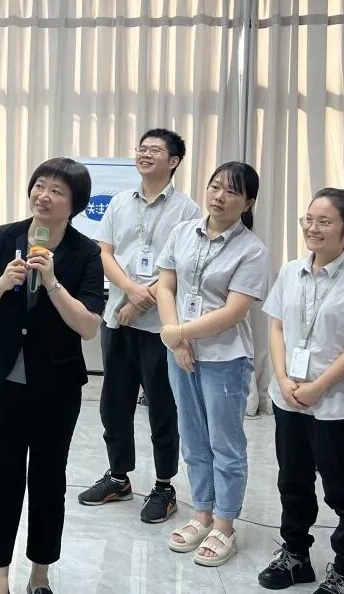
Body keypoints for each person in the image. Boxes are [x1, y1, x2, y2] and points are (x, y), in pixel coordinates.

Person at [0, 158, 105, 594]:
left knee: (49, 481)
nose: (44, 196)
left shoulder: (85, 253)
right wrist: (2, 282)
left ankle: (40, 573)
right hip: (3, 380)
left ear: (75, 204)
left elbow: (88, 326)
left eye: (57, 191)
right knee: (4, 479)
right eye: (39, 186)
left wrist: (53, 282)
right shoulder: (3, 238)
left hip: (57, 387)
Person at [257, 189, 344, 594]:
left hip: (337, 405)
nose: (312, 228)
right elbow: (277, 327)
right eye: (309, 219)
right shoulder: (291, 271)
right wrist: (282, 379)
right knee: (292, 481)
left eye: (324, 222)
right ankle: (295, 555)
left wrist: (318, 386)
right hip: (289, 398)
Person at [77, 129, 202, 523]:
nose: (145, 155)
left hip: (161, 326)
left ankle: (164, 486)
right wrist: (130, 292)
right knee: (114, 403)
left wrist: (143, 299)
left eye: (156, 150)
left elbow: (183, 266)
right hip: (118, 317)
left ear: (174, 161)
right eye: (142, 148)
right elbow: (104, 251)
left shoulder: (188, 210)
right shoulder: (119, 201)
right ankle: (118, 476)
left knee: (162, 407)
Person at [153, 161, 269, 568]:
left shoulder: (252, 250)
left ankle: (224, 525)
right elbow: (165, 285)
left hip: (225, 357)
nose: (219, 196)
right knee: (192, 437)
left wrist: (179, 332)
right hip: (180, 350)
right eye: (215, 186)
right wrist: (176, 337)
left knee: (225, 443)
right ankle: (201, 513)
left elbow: (234, 311)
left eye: (232, 191)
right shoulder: (183, 231)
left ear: (248, 202)